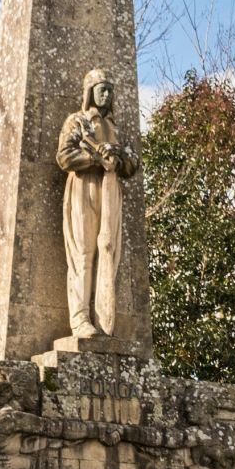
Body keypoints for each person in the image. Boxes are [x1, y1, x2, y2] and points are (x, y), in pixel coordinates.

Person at [55, 67, 137, 341]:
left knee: (108, 249)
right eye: (102, 88)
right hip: (83, 188)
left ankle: (104, 319)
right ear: (89, 92)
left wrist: (118, 157)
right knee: (83, 253)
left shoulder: (114, 129)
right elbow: (65, 157)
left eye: (110, 89)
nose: (107, 93)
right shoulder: (77, 122)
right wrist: (95, 159)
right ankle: (80, 319)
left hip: (110, 190)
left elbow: (131, 163)